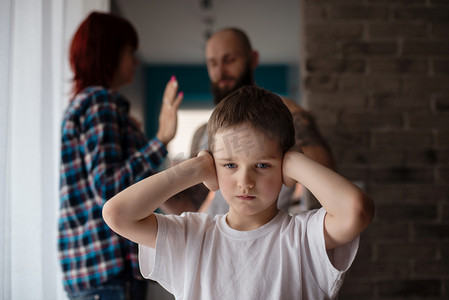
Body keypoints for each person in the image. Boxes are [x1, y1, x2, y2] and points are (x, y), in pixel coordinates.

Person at [103, 86, 375, 299]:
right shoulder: (192, 235)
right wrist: (196, 168)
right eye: (230, 165)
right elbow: (117, 214)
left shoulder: (303, 236)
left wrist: (295, 162)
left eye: (262, 165)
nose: (245, 181)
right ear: (214, 165)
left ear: (283, 166)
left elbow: (357, 210)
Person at [58, 12, 182, 300]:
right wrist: (161, 139)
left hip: (92, 271)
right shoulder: (100, 102)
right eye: (130, 52)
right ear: (109, 53)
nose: (136, 62)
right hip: (107, 270)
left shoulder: (86, 104)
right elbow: (109, 188)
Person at [162, 27, 334, 216]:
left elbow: (324, 169)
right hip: (218, 239)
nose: (220, 72)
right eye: (213, 63)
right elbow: (191, 207)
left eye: (229, 60)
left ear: (253, 59)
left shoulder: (286, 113)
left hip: (269, 237)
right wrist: (160, 144)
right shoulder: (204, 132)